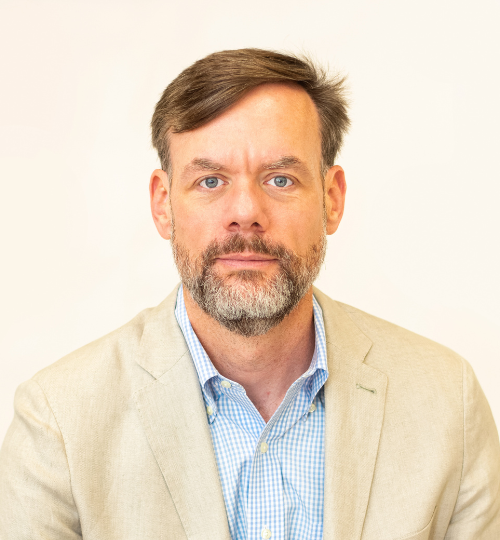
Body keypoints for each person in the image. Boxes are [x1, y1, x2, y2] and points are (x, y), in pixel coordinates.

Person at [0, 48, 499, 540]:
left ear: (331, 199)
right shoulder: (58, 423)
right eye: (210, 180)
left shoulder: (447, 402)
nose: (246, 211)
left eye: (280, 179)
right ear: (163, 204)